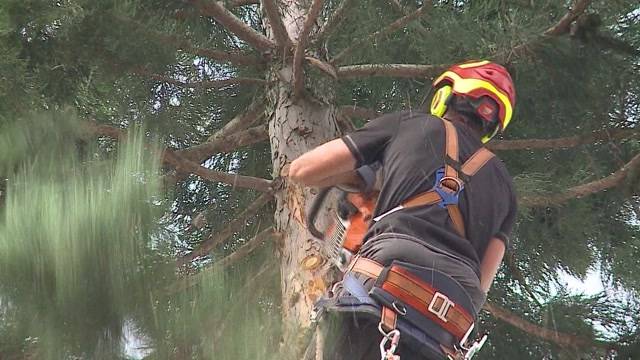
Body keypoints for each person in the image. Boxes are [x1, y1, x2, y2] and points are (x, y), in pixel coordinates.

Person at [289, 60, 517, 359]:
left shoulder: (408, 124)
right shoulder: (507, 189)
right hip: (449, 326)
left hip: (385, 284)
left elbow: (303, 170)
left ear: (445, 95)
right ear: (493, 123)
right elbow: (482, 282)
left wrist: (361, 178)